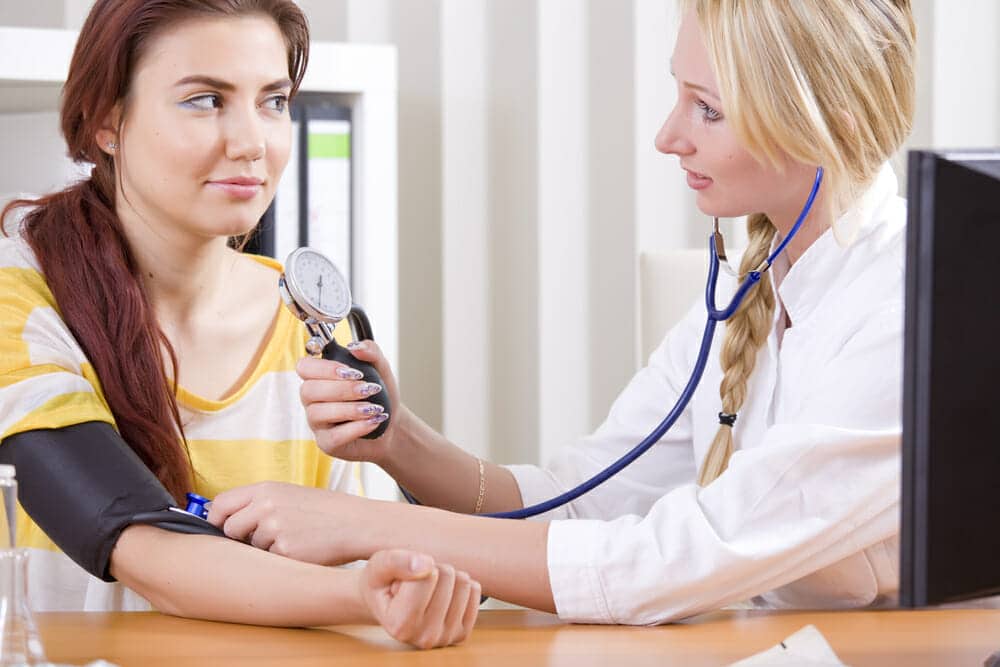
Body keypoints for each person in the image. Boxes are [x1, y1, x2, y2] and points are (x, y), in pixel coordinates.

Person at [207, 0, 920, 624]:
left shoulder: (901, 310)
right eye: (681, 96)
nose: (669, 136)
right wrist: (398, 440)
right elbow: (576, 504)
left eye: (708, 108)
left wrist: (362, 524)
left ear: (827, 120)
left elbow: (666, 563)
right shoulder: (750, 289)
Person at [0, 0, 479, 648]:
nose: (252, 143)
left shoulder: (302, 323)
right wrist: (362, 592)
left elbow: (357, 553)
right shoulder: (20, 299)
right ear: (106, 120)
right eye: (204, 100)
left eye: (273, 101)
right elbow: (138, 542)